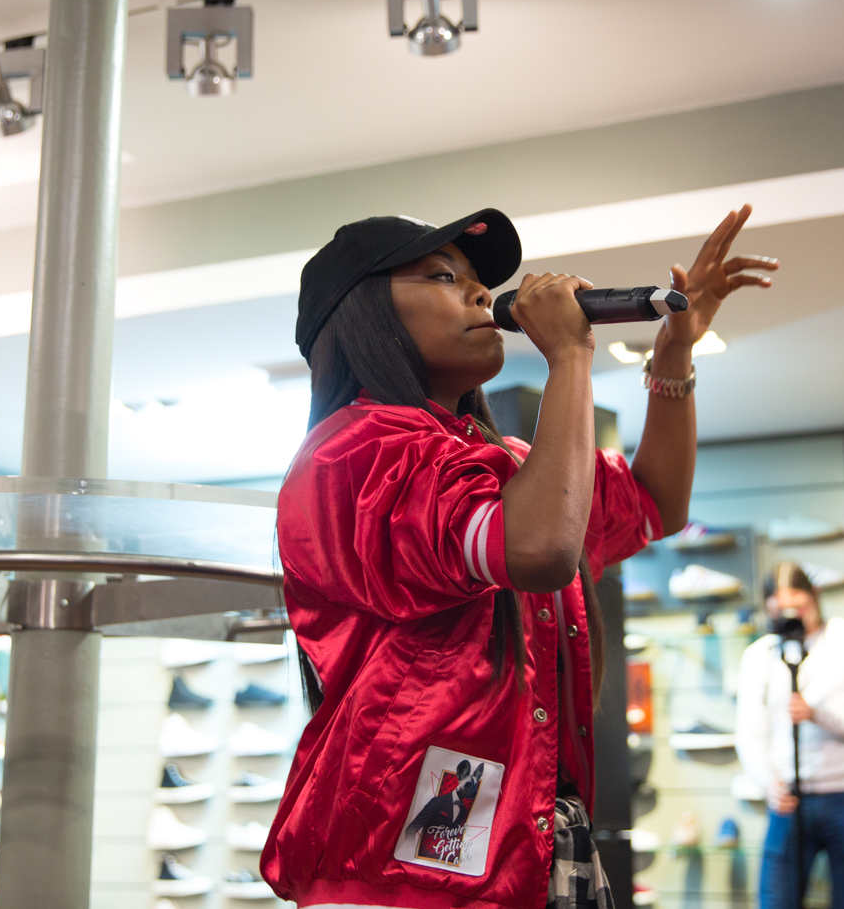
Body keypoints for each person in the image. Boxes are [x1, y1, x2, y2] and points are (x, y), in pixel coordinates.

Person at [263, 205, 777, 909]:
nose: (482, 294)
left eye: (476, 280)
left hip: (529, 842)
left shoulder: (510, 468)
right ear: (364, 314)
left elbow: (656, 502)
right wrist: (570, 355)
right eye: (443, 277)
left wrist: (673, 353)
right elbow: (538, 548)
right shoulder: (353, 453)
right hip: (399, 872)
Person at [736, 562, 844, 909]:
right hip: (789, 796)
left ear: (815, 596)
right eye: (780, 609)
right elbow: (749, 730)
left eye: (799, 606)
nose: (792, 616)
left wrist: (818, 715)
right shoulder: (760, 654)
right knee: (776, 898)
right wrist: (767, 782)